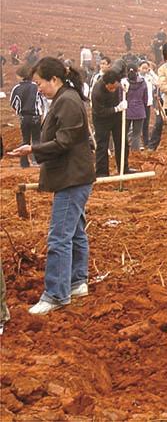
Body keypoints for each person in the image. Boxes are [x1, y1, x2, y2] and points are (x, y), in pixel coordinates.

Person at [8, 58, 95, 315]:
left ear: (54, 80)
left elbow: (64, 141)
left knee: (59, 237)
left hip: (72, 178)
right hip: (72, 176)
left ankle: (56, 294)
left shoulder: (67, 101)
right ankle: (78, 281)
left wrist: (33, 148)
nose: (38, 89)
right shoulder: (64, 99)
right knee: (75, 232)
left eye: (39, 83)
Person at [91, 70, 129, 176]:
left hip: (116, 118)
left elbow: (121, 66)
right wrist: (117, 108)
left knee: (122, 142)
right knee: (102, 145)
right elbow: (100, 111)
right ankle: (102, 172)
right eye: (111, 87)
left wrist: (123, 83)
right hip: (101, 119)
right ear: (105, 83)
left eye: (115, 87)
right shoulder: (97, 91)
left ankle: (123, 168)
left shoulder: (116, 81)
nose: (113, 89)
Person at [10, 65, 46, 167]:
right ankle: (37, 161)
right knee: (36, 139)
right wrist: (41, 111)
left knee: (25, 139)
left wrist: (19, 111)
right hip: (36, 116)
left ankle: (24, 163)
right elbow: (42, 100)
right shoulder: (36, 86)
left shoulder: (16, 88)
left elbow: (13, 103)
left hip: (24, 117)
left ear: (21, 76)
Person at [124, 68, 147, 151]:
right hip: (140, 110)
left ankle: (124, 150)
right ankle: (135, 152)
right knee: (136, 134)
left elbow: (121, 97)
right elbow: (145, 98)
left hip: (127, 110)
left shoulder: (124, 83)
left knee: (124, 133)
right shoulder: (143, 83)